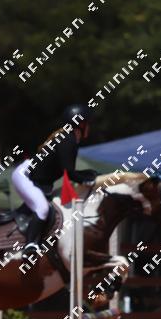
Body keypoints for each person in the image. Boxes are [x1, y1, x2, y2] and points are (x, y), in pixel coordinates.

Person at [11, 104, 97, 258]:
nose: (89, 128)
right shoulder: (68, 140)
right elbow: (69, 173)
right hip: (25, 176)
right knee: (42, 208)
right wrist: (88, 180)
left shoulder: (70, 138)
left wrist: (91, 175)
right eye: (88, 123)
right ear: (81, 124)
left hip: (36, 179)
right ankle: (30, 246)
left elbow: (71, 171)